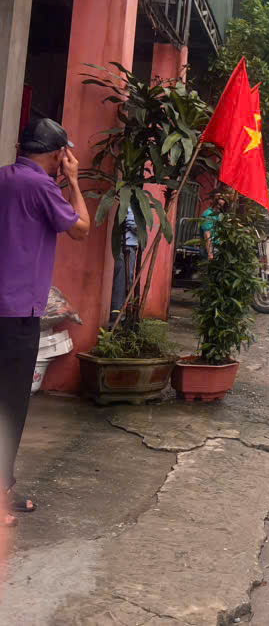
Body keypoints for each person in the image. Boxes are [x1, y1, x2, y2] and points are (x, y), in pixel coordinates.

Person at [0, 119, 90, 527]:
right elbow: (82, 230)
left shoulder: (4, 178)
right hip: (17, 313)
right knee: (10, 405)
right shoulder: (43, 187)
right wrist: (72, 180)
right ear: (57, 155)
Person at [108, 207, 138, 326]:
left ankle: (120, 311)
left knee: (127, 278)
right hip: (126, 245)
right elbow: (134, 225)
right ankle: (116, 314)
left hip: (130, 245)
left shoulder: (136, 201)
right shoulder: (128, 201)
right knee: (122, 279)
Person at [199, 194, 227, 261]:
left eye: (222, 205)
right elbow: (207, 234)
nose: (220, 207)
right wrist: (210, 253)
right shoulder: (208, 214)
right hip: (209, 247)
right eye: (219, 205)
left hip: (218, 246)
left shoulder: (219, 215)